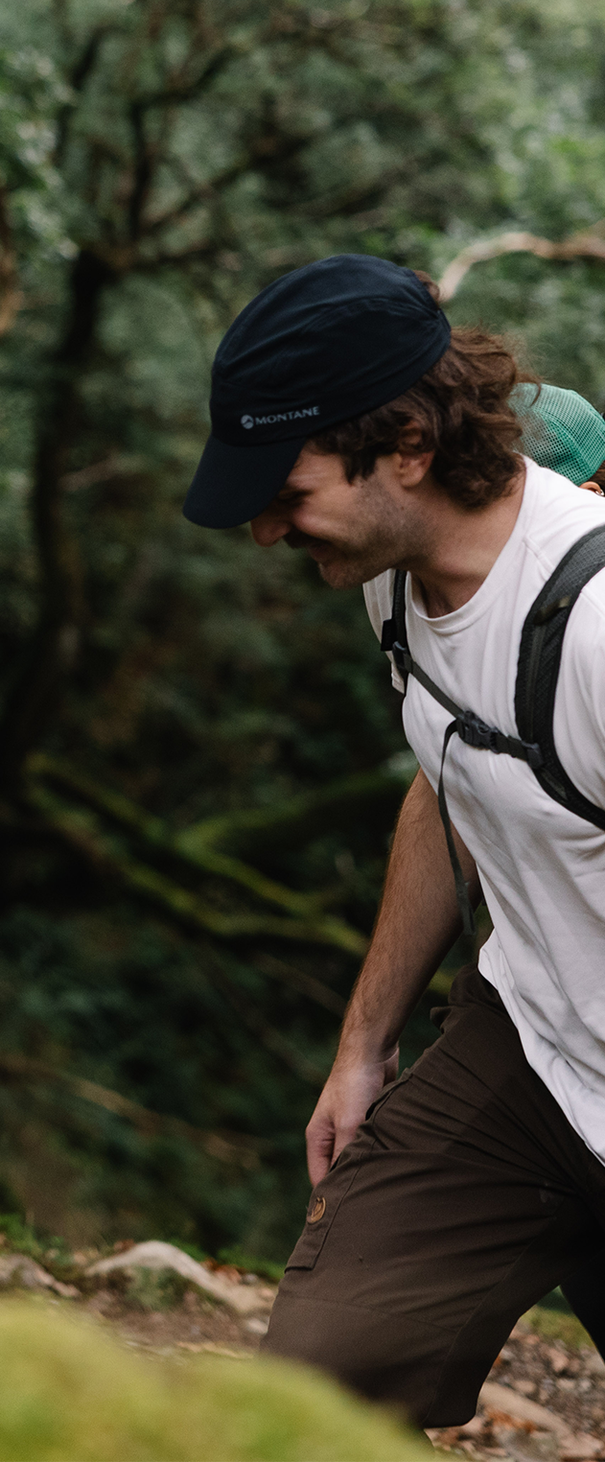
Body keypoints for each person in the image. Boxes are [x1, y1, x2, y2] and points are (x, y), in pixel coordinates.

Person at [183, 253, 605, 1430]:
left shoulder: (592, 630)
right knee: (315, 1387)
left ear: (408, 445)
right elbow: (449, 787)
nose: (265, 528)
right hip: (530, 1055)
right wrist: (362, 1046)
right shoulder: (394, 575)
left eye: (286, 486)